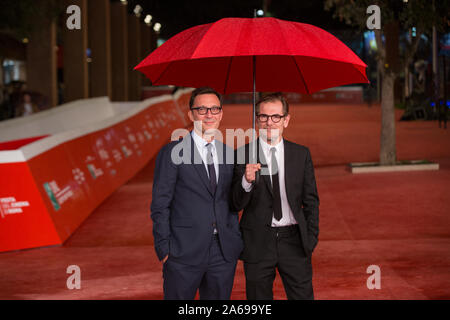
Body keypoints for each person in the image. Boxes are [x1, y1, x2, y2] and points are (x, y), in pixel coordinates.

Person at [150, 87, 243, 300]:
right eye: (202, 109)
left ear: (221, 114)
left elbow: (232, 201)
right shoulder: (173, 152)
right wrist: (164, 249)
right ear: (191, 114)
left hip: (222, 252)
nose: (209, 114)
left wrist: (247, 181)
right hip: (182, 252)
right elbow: (160, 204)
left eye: (214, 109)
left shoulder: (229, 153)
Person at [232, 92, 319, 300]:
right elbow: (234, 203)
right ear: (257, 120)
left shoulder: (301, 154)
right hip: (258, 241)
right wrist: (246, 181)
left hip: (294, 241)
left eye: (276, 117)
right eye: (263, 117)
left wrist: (311, 237)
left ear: (286, 120)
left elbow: (311, 200)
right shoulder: (242, 154)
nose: (269, 122)